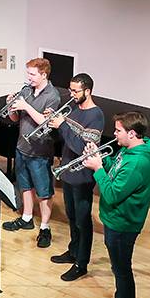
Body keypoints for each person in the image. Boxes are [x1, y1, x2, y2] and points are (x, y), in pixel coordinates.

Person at [81, 111, 150, 298]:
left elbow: (113, 193)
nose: (114, 134)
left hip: (123, 224)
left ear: (132, 133)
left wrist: (97, 169)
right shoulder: (128, 150)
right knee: (118, 268)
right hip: (114, 219)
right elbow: (114, 167)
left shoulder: (137, 163)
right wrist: (101, 158)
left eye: (118, 131)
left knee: (122, 270)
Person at [47, 73, 104, 281]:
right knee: (71, 217)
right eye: (70, 90)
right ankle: (73, 251)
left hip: (82, 177)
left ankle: (82, 263)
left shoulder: (96, 115)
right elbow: (66, 139)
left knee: (82, 220)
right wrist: (53, 124)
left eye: (75, 91)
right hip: (68, 172)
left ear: (87, 91)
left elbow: (82, 149)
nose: (71, 95)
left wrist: (62, 125)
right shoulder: (73, 109)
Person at [2, 57, 61, 247]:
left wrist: (26, 106)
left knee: (44, 192)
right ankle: (27, 218)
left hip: (40, 151)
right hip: (22, 147)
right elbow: (14, 118)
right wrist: (11, 106)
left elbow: (45, 123)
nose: (29, 78)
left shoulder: (53, 95)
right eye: (28, 73)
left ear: (44, 74)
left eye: (32, 74)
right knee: (25, 185)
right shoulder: (26, 90)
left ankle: (45, 227)